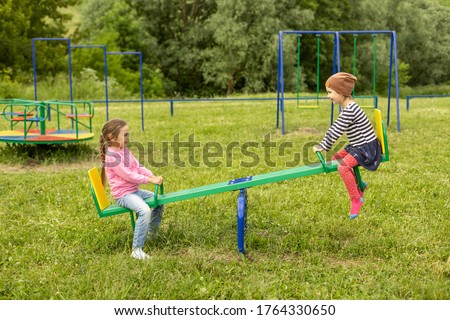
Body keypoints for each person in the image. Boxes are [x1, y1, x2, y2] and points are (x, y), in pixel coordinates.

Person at [313, 72, 381, 219]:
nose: (328, 96)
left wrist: (322, 145)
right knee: (336, 157)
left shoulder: (350, 110)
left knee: (342, 166)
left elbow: (336, 129)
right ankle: (359, 183)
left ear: (341, 93)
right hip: (358, 145)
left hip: (366, 148)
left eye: (330, 92)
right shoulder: (349, 107)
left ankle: (356, 199)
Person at [100, 119, 164, 260]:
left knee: (158, 201)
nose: (128, 138)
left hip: (134, 191)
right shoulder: (112, 156)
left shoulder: (124, 150)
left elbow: (138, 167)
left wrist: (151, 175)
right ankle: (137, 249)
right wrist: (149, 180)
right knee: (144, 210)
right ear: (111, 136)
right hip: (124, 195)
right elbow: (128, 176)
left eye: (128, 135)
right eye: (125, 135)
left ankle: (151, 234)